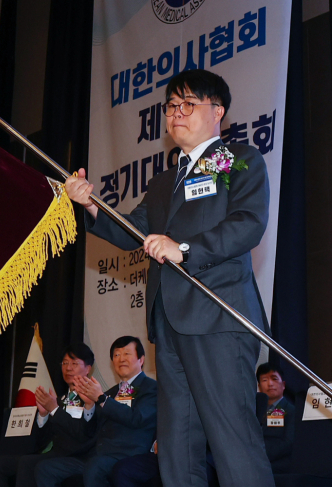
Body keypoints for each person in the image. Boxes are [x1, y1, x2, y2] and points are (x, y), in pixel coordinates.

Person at [65, 69, 274, 487]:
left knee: (233, 442)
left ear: (217, 111)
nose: (176, 114)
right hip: (170, 327)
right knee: (177, 449)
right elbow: (133, 230)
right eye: (171, 107)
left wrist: (184, 249)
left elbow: (248, 223)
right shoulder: (164, 181)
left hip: (219, 319)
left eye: (188, 104)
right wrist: (91, 206)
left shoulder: (235, 160)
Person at [35, 336, 157, 487]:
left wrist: (102, 399)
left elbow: (137, 418)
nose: (121, 359)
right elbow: (90, 430)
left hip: (126, 455)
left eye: (127, 354)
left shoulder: (150, 388)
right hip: (96, 454)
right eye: (117, 355)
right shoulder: (110, 393)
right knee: (45, 468)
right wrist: (89, 406)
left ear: (141, 359)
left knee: (95, 467)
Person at [0, 343, 95, 487]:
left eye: (74, 363)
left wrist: (54, 409)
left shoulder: (92, 399)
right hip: (50, 453)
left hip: (73, 455)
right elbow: (43, 440)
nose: (68, 368)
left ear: (88, 368)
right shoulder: (61, 399)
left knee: (28, 463)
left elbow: (81, 434)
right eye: (65, 363)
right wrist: (43, 416)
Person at [257, 363, 295, 474]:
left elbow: (288, 443)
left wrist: (261, 453)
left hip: (278, 463)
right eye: (264, 380)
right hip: (255, 458)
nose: (270, 384)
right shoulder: (254, 410)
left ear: (283, 385)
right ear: (259, 386)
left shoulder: (291, 411)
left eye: (274, 379)